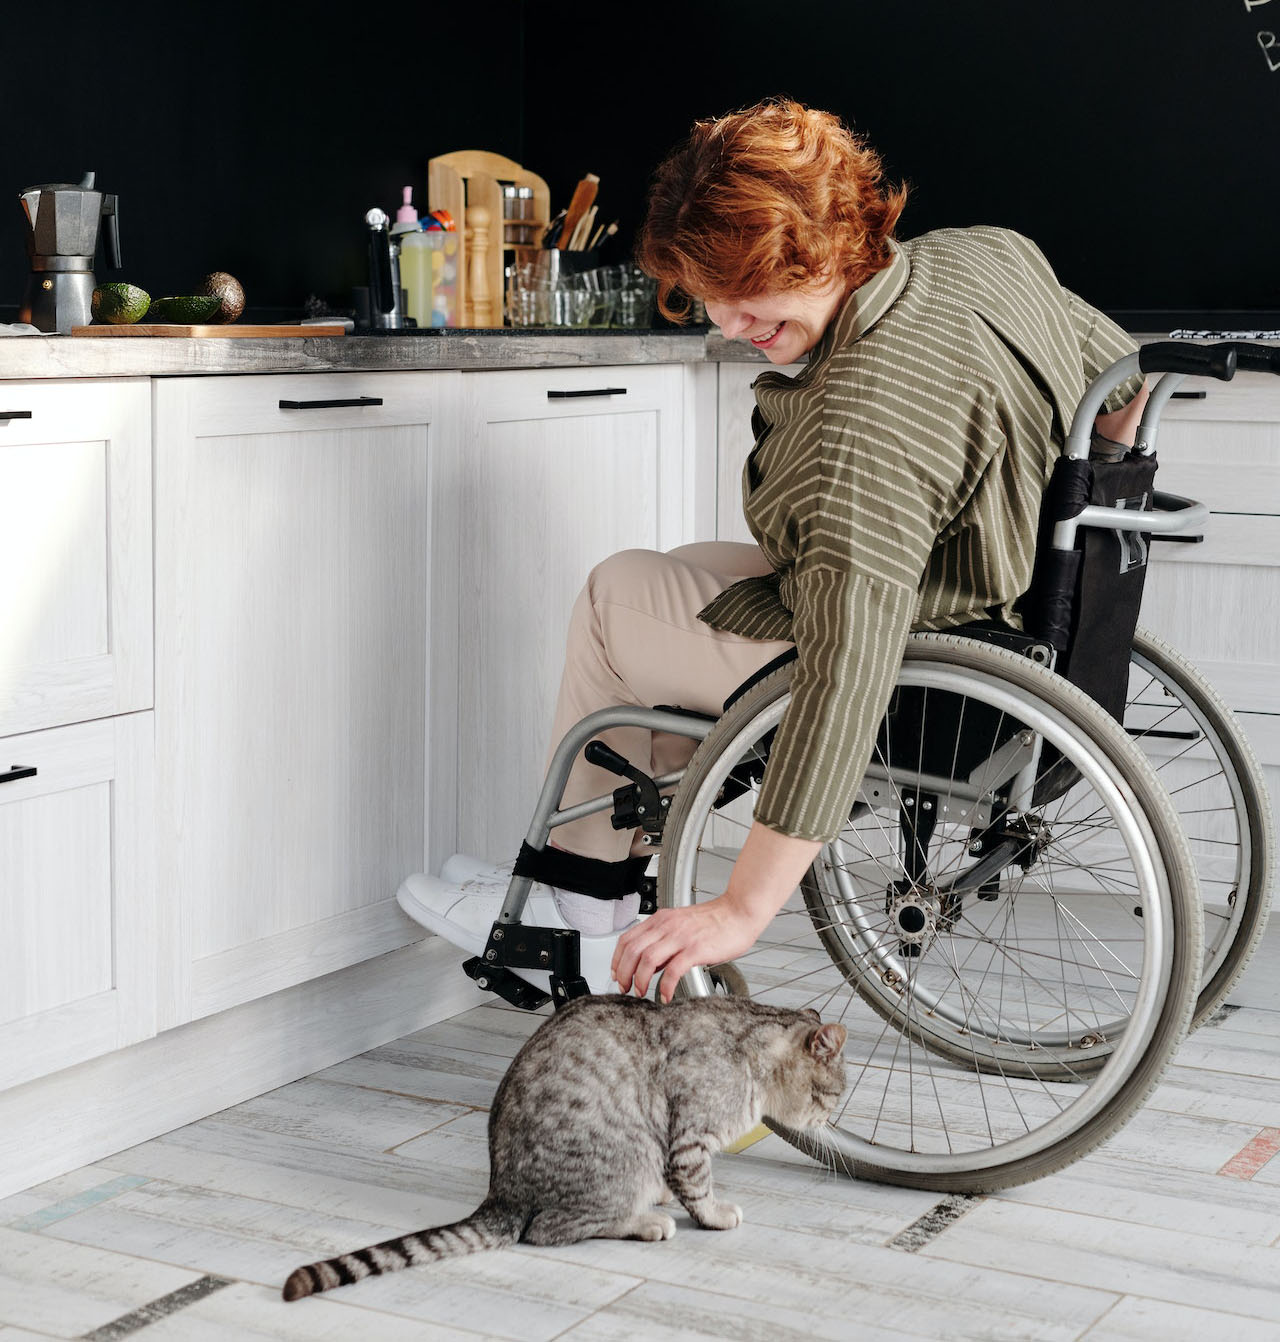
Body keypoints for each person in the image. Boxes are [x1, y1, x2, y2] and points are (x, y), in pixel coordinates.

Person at [400, 97, 1148, 1002]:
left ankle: (584, 911)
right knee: (669, 573)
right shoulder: (985, 255)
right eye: (708, 292)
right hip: (1015, 615)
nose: (723, 322)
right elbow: (1121, 380)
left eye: (740, 290)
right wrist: (1058, 530)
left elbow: (846, 671)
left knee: (614, 600)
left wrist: (740, 910)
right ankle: (587, 878)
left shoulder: (862, 424)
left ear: (817, 250)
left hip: (921, 673)